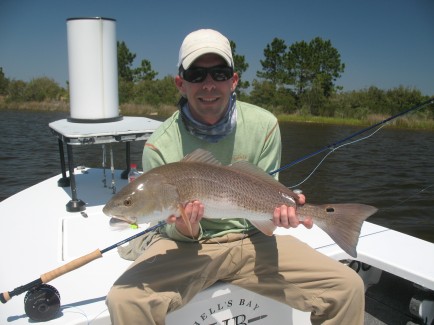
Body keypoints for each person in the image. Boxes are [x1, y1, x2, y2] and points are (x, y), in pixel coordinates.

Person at [106, 28, 364, 325]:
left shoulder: (264, 124)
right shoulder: (159, 145)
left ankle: (334, 219)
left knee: (348, 287)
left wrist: (285, 210)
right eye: (196, 75)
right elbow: (173, 231)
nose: (209, 85)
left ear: (234, 80)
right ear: (181, 83)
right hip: (190, 248)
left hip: (254, 239)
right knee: (124, 300)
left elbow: (265, 190)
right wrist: (187, 229)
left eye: (219, 73)